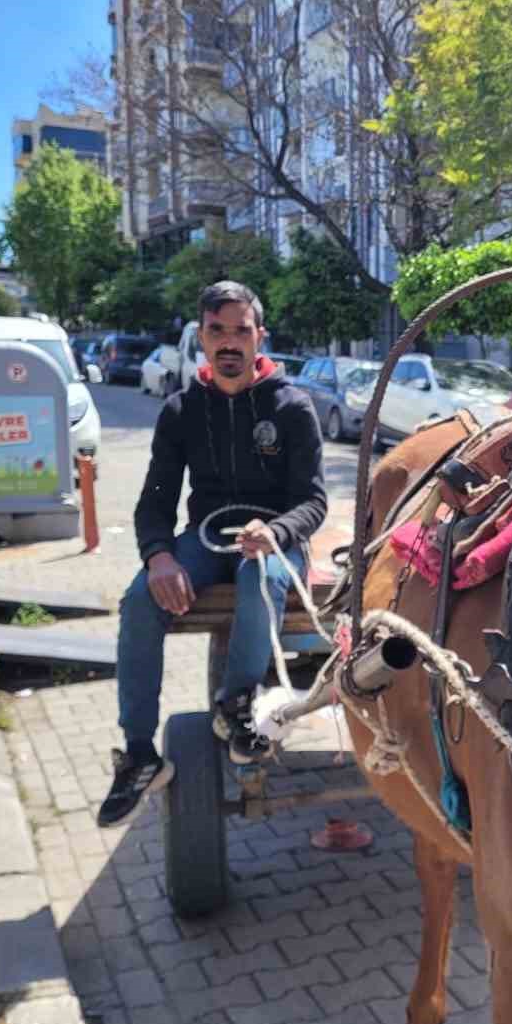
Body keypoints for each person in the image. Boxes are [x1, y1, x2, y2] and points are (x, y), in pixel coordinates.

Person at [97, 280, 328, 828]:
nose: (229, 342)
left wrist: (277, 531)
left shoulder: (293, 407)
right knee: (137, 602)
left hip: (274, 543)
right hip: (202, 541)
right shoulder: (181, 411)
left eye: (240, 330)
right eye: (217, 330)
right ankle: (138, 753)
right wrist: (158, 557)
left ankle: (237, 705)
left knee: (257, 578)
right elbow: (155, 501)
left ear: (259, 337)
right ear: (200, 338)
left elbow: (314, 500)